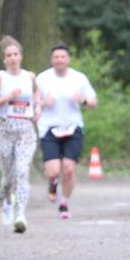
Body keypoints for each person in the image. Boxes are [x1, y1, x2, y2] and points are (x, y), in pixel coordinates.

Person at [0, 36, 41, 233]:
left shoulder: (30, 77)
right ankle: (7, 200)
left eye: (16, 54)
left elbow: (36, 95)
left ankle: (21, 214)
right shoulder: (0, 77)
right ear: (4, 59)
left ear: (21, 57)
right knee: (8, 177)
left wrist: (38, 108)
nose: (13, 58)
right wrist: (8, 96)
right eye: (9, 55)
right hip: (4, 130)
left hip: (25, 130)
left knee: (22, 171)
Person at [35, 45, 97, 219]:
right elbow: (33, 103)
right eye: (56, 57)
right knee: (53, 171)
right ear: (51, 60)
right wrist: (43, 103)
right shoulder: (42, 78)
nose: (59, 59)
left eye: (63, 56)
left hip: (72, 127)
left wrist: (83, 100)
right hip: (49, 128)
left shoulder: (79, 78)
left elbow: (93, 102)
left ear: (68, 59)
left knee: (68, 169)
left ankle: (64, 202)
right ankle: (52, 183)